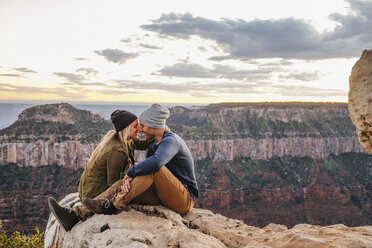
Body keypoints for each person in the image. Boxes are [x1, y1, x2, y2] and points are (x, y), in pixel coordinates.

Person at [48, 104, 198, 232]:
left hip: (184, 199)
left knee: (154, 169)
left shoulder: (171, 141)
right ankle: (75, 216)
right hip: (163, 194)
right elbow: (146, 166)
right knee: (122, 184)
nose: (141, 129)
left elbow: (156, 163)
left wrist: (131, 172)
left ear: (153, 125)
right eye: (138, 126)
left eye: (143, 125)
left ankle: (113, 205)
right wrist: (129, 179)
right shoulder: (154, 144)